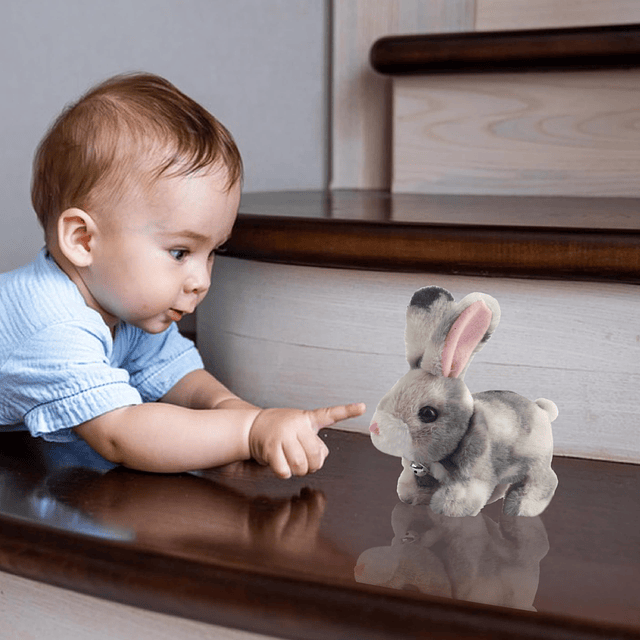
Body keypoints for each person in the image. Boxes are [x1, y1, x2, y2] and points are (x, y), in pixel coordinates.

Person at [0, 72, 365, 478]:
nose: (202, 280)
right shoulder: (53, 325)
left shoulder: (124, 306)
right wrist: (247, 432)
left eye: (212, 253)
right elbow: (123, 433)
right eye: (179, 252)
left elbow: (178, 375)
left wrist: (245, 413)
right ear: (84, 240)